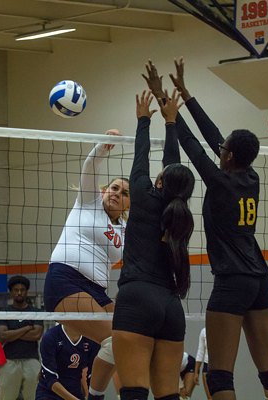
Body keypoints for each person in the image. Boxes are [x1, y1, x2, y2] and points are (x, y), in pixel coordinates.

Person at [141, 57, 268, 400]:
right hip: (259, 278)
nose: (219, 147)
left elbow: (193, 145)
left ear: (226, 157)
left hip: (231, 280)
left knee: (219, 374)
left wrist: (167, 107)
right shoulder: (249, 176)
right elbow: (212, 136)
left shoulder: (220, 182)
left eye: (223, 149)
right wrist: (185, 93)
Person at [112, 88, 195, 400]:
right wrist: (170, 122)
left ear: (161, 181)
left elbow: (140, 156)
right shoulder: (181, 215)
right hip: (172, 307)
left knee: (133, 393)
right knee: (168, 396)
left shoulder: (144, 197)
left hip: (137, 299)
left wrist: (144, 121)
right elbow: (171, 163)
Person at [44, 129, 129, 400]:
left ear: (129, 203)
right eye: (114, 188)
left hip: (97, 290)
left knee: (129, 339)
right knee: (114, 341)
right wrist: (103, 146)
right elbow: (90, 165)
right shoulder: (89, 202)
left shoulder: (128, 231)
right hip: (65, 282)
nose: (117, 194)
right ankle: (95, 397)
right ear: (105, 190)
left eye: (125, 193)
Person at [0, 275, 44, 400]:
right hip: (9, 362)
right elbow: (2, 336)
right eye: (16, 290)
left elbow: (36, 335)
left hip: (31, 361)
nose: (19, 292)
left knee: (35, 397)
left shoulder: (36, 312)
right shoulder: (5, 313)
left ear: (26, 291)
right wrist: (26, 328)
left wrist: (12, 334)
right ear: (11, 292)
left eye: (22, 290)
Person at [35, 324, 100, 400]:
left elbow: (92, 376)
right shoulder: (50, 337)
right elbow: (50, 379)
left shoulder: (91, 339)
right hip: (49, 394)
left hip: (75, 392)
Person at [195, 327, 211, 399]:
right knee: (210, 398)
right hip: (207, 366)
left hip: (220, 367)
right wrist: (196, 372)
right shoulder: (204, 331)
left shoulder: (224, 329)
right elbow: (200, 352)